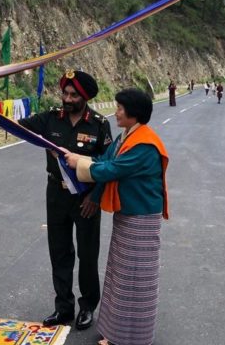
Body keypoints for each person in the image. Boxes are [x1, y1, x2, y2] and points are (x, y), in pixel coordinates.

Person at [64, 88, 169, 345]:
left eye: (120, 108)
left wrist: (79, 162)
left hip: (141, 218)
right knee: (120, 275)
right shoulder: (126, 137)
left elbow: (111, 169)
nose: (116, 112)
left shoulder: (144, 143)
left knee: (134, 279)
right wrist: (81, 160)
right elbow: (104, 158)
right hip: (128, 214)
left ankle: (131, 338)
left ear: (133, 113)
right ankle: (117, 333)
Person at [17, 70, 112, 330]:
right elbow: (15, 126)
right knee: (59, 253)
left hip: (85, 198)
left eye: (73, 95)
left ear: (85, 97)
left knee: (87, 255)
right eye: (65, 93)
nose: (67, 99)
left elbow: (107, 164)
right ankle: (64, 308)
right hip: (56, 195)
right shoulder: (50, 119)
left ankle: (88, 306)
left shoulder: (99, 124)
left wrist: (95, 197)